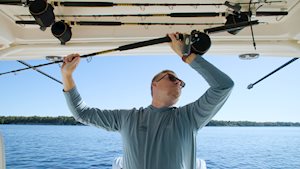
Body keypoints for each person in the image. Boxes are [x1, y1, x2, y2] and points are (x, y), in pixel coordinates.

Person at [61, 33, 234, 169]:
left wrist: (187, 56)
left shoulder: (190, 117)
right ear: (154, 84)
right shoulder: (128, 118)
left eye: (182, 82)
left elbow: (224, 86)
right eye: (172, 77)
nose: (179, 82)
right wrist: (67, 76)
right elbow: (81, 113)